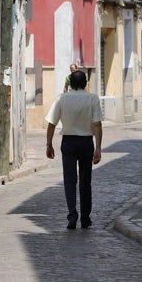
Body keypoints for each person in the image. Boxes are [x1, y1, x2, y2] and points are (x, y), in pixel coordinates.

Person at [45, 70, 104, 230]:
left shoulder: (62, 99)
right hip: (86, 142)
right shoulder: (92, 99)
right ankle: (85, 218)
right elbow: (97, 124)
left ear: (70, 84)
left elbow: (52, 123)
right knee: (86, 181)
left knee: (70, 180)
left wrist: (49, 144)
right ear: (85, 83)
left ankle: (72, 215)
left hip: (68, 142)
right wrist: (98, 147)